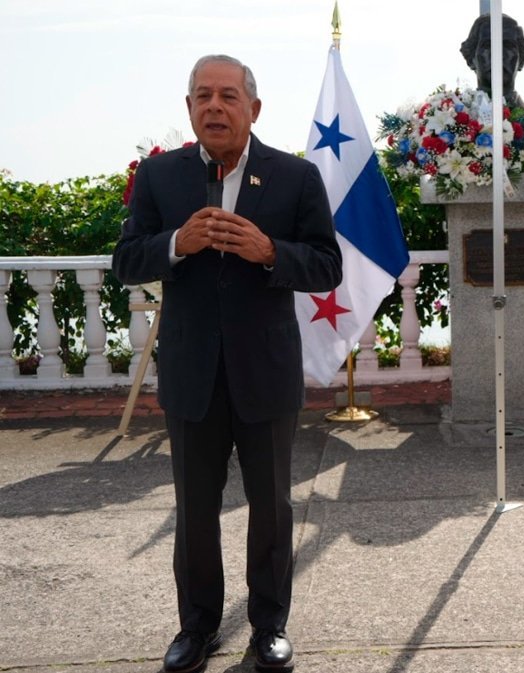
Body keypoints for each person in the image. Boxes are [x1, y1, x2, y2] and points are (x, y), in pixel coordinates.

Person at [112, 54, 342, 673]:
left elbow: (327, 265)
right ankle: (197, 629)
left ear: (253, 109)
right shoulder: (160, 178)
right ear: (189, 109)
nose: (215, 106)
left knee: (271, 510)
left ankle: (269, 627)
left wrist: (271, 253)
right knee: (193, 512)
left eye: (228, 96)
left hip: (264, 374)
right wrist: (174, 245)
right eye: (202, 96)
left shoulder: (295, 178)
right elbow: (126, 261)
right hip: (193, 376)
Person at [460, 13, 524, 130]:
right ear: (470, 59)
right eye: (488, 45)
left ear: (521, 60)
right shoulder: (450, 118)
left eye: (508, 45)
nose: (498, 53)